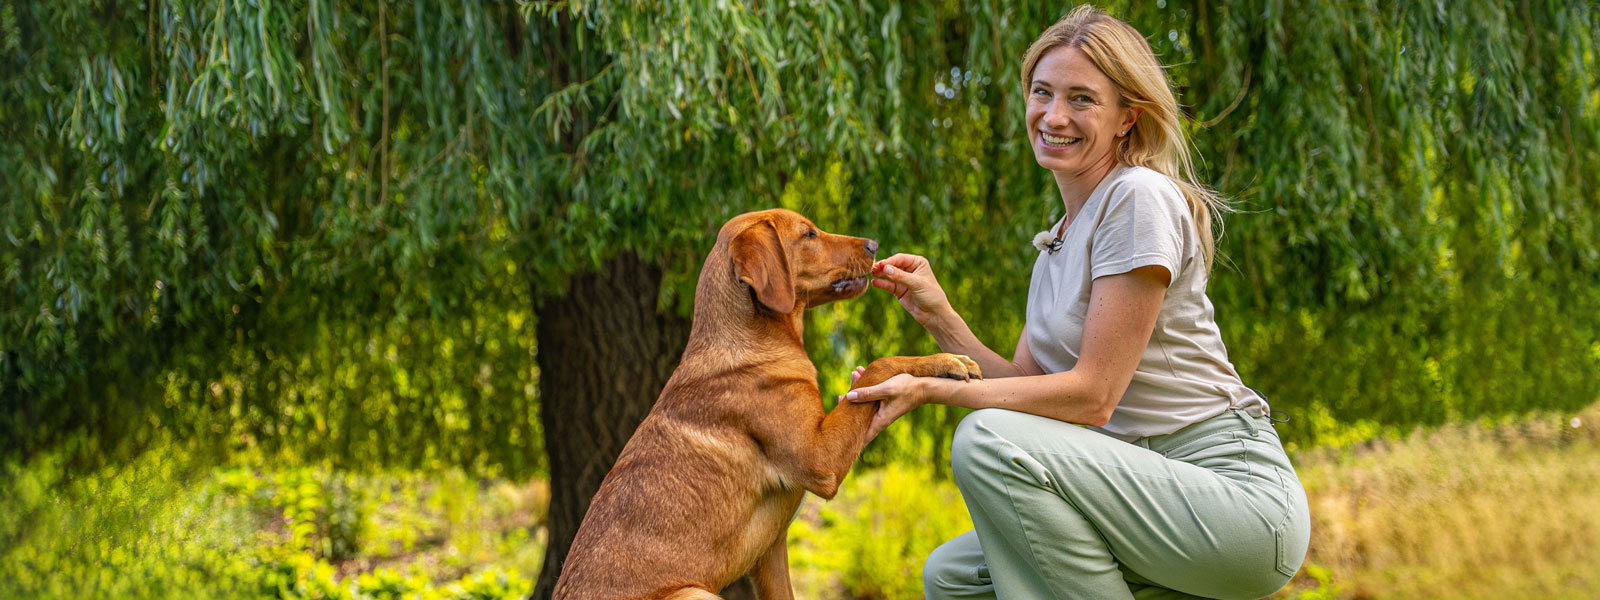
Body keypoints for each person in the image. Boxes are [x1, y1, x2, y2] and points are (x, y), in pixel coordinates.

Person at [840, 5, 1311, 599]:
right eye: (1042, 92)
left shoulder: (1137, 198)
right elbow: (1024, 387)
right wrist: (940, 316)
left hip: (1229, 498)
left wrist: (931, 388)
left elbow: (1091, 396)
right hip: (1136, 486)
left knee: (985, 438)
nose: (1054, 115)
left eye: (1082, 99)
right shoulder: (1057, 244)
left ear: (1126, 118)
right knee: (955, 579)